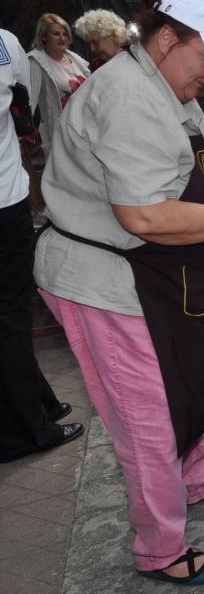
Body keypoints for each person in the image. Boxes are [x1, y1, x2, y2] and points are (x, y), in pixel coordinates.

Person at [35, 0, 204, 584]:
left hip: (159, 270)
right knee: (145, 415)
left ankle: (194, 479)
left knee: (186, 377)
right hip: (105, 276)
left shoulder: (171, 88)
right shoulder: (125, 95)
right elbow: (143, 216)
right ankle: (160, 549)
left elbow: (189, 182)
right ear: (169, 39)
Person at [0, 27, 83, 464]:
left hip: (7, 194)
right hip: (3, 198)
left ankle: (38, 406)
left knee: (11, 315)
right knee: (10, 317)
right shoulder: (7, 44)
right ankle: (26, 429)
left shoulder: (7, 43)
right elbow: (22, 112)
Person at [27, 13, 91, 158]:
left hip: (88, 130)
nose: (62, 38)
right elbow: (30, 101)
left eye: (65, 34)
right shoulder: (36, 61)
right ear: (43, 36)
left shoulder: (74, 58)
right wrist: (21, 129)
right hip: (62, 133)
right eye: (56, 34)